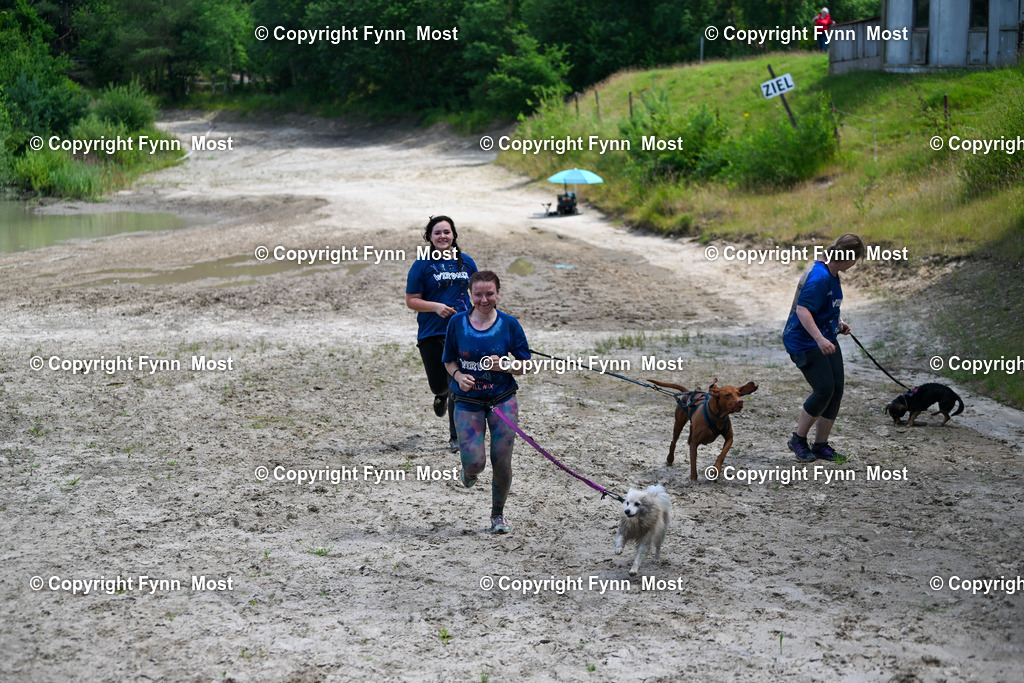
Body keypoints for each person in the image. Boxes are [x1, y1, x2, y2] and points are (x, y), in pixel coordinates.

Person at [443, 271, 531, 534]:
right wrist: (458, 375)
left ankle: (498, 515)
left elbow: (525, 365)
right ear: (470, 295)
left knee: (502, 460)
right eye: (478, 294)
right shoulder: (457, 323)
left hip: (502, 399)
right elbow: (449, 360)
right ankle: (468, 471)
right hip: (467, 401)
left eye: (489, 294)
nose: (484, 299)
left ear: (498, 294)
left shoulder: (509, 324)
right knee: (475, 463)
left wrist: (506, 364)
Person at [783, 233, 865, 463]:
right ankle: (798, 440)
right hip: (804, 341)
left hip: (825, 337)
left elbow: (824, 307)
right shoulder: (819, 277)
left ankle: (821, 445)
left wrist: (837, 323)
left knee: (836, 389)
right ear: (849, 259)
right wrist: (820, 339)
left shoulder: (832, 272)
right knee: (824, 389)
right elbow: (803, 310)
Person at [405, 216, 477, 451]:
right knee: (440, 385)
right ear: (430, 237)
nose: (443, 236)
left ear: (454, 235)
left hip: (461, 333)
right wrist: (435, 307)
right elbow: (411, 300)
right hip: (431, 333)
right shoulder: (422, 265)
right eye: (437, 233)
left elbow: (478, 295)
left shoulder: (466, 263)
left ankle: (456, 437)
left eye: (447, 232)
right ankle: (440, 396)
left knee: (458, 384)